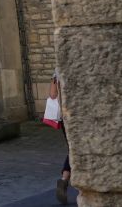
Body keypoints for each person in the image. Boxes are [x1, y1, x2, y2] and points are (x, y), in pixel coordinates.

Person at [50, 69, 71, 204]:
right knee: (75, 150)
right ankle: (64, 180)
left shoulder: (56, 72)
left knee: (72, 148)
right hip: (80, 115)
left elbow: (52, 94)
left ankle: (64, 180)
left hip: (65, 117)